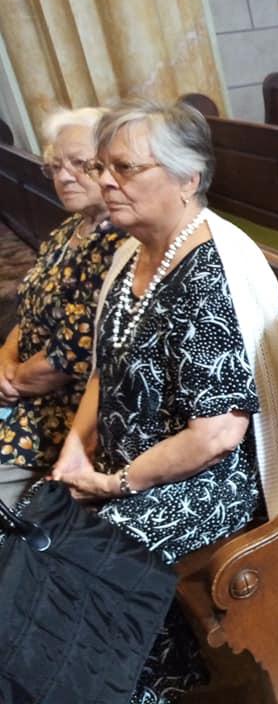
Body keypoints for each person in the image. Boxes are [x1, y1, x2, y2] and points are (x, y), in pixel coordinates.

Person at [49, 99, 278, 702]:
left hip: (214, 482)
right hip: (136, 466)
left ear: (187, 180)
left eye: (125, 168)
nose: (106, 182)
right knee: (35, 527)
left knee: (84, 561)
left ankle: (138, 687)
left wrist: (117, 483)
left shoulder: (209, 272)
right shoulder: (130, 254)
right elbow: (106, 368)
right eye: (102, 168)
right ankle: (158, 679)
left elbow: (217, 435)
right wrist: (74, 450)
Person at [0, 107, 125, 507]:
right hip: (23, 387)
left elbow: (73, 355)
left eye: (78, 164)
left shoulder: (120, 242)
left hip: (67, 408)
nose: (64, 176)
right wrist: (3, 358)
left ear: (111, 166)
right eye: (55, 166)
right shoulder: (69, 230)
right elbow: (30, 306)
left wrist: (11, 384)